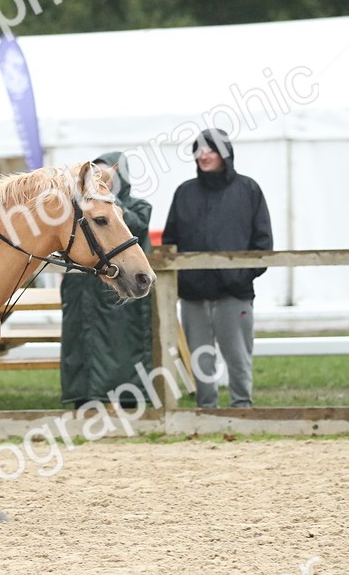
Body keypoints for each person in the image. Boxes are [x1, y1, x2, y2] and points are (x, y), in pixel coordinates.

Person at [162, 128, 273, 409]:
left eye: (210, 149)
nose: (203, 155)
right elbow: (169, 242)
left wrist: (239, 277)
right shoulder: (184, 193)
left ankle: (242, 407)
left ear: (225, 153)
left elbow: (263, 244)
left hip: (235, 294)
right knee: (200, 357)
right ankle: (206, 409)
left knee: (238, 356)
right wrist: (185, 279)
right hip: (193, 296)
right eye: (198, 149)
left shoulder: (249, 190)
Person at [60, 152, 153, 408]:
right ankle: (84, 397)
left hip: (120, 294)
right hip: (83, 294)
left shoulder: (138, 207)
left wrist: (111, 207)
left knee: (123, 348)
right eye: (96, 176)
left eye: (108, 177)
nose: (102, 181)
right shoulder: (80, 212)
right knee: (82, 345)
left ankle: (127, 398)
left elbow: (137, 227)